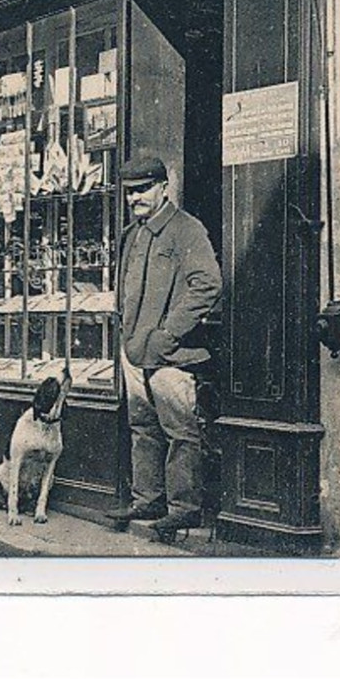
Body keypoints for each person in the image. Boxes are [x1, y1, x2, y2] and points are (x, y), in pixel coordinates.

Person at [112, 155, 222, 539]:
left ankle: (184, 508)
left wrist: (167, 334)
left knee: (180, 429)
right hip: (134, 351)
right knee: (141, 426)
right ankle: (148, 499)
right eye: (129, 192)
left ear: (164, 188)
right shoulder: (133, 234)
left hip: (172, 355)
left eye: (142, 190)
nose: (134, 198)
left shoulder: (186, 230)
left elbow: (207, 284)